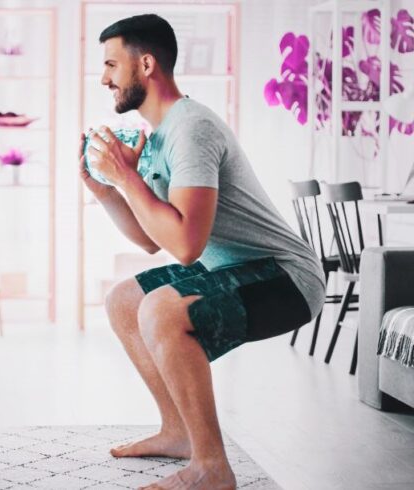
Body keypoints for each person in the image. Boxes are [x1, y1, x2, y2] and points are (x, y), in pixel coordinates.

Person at [82, 14, 325, 490]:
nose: (105, 78)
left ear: (146, 64)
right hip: (240, 270)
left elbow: (188, 246)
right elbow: (153, 238)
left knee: (162, 310)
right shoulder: (158, 137)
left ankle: (212, 468)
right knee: (124, 300)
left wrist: (128, 178)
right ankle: (177, 433)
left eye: (112, 64)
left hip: (286, 278)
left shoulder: (191, 129)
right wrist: (107, 188)